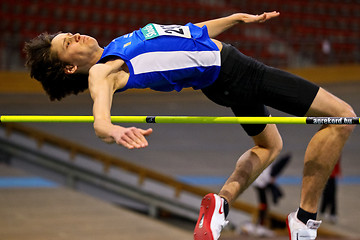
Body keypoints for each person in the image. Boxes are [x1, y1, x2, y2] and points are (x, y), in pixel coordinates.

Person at [23, 11, 356, 240]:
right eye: (68, 44)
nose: (75, 36)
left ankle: (220, 205)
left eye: (69, 35)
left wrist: (236, 19)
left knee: (269, 146)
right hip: (237, 74)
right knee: (342, 117)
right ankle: (303, 220)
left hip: (224, 77)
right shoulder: (103, 71)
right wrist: (113, 130)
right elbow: (100, 120)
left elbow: (189, 33)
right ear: (69, 69)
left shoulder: (119, 45)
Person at [242, 153, 291, 237]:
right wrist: (270, 179)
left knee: (263, 204)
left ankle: (260, 225)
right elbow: (267, 172)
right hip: (261, 181)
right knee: (263, 205)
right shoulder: (268, 160)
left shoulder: (267, 160)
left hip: (260, 180)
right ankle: (260, 226)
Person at [320, 157, 341, 224]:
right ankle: (326, 212)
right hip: (326, 174)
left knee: (331, 194)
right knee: (327, 193)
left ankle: (331, 213)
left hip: (332, 175)